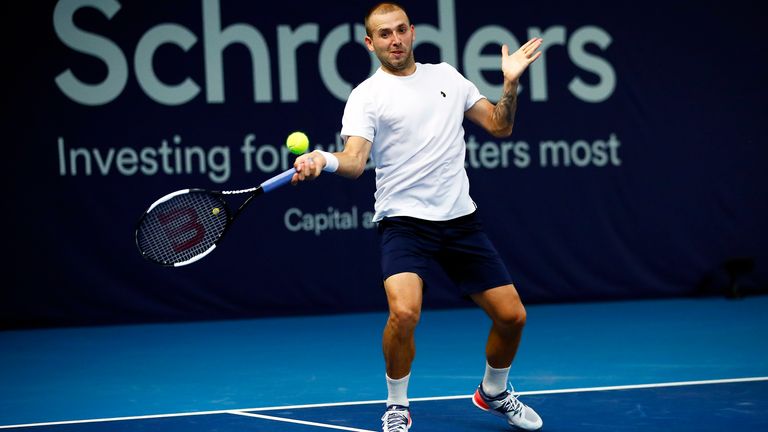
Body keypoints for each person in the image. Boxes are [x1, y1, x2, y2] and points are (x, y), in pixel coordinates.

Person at [291, 2, 543, 431]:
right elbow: (354, 161)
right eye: (384, 34)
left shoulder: (446, 76)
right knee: (404, 313)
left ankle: (495, 392)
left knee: (512, 316)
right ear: (370, 43)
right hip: (404, 223)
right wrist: (323, 160)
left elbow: (500, 126)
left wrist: (510, 83)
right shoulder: (366, 96)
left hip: (460, 220)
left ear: (412, 32)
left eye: (401, 30)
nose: (395, 40)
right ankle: (396, 404)